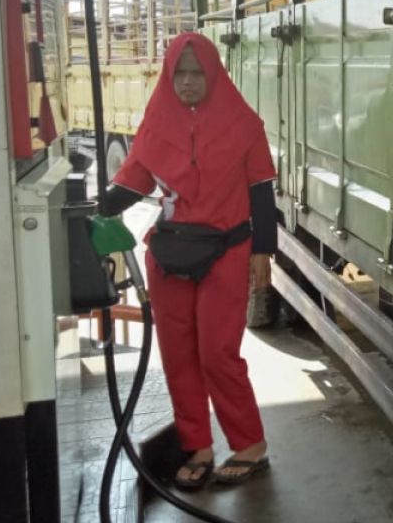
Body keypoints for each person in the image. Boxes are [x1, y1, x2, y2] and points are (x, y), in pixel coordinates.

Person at [99, 31, 277, 488]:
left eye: (198, 73)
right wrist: (94, 208)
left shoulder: (244, 124)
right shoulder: (157, 121)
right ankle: (197, 445)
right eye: (180, 73)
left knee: (218, 352)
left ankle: (250, 445)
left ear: (214, 74)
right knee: (177, 355)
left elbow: (260, 190)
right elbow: (134, 180)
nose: (188, 82)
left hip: (228, 249)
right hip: (171, 252)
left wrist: (263, 251)